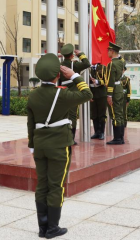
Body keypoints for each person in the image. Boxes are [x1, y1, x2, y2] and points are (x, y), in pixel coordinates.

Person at [27, 54, 92, 239]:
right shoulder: (61, 94)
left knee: (42, 185)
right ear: (58, 76)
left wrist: (32, 145)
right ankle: (53, 228)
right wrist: (74, 76)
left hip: (39, 146)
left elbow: (30, 124)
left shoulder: (33, 95)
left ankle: (42, 227)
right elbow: (88, 94)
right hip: (58, 145)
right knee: (56, 186)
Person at [59, 44, 91, 145]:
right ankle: (71, 139)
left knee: (63, 114)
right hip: (73, 91)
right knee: (72, 116)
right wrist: (81, 54)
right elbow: (87, 64)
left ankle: (63, 137)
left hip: (61, 91)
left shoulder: (60, 65)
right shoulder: (74, 65)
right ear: (72, 55)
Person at [105, 42, 126, 145]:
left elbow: (110, 80)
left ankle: (117, 138)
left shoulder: (112, 64)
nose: (107, 52)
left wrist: (109, 95)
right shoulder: (121, 62)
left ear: (112, 51)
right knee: (120, 114)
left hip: (113, 90)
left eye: (108, 50)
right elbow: (122, 60)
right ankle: (121, 137)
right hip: (119, 89)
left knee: (114, 114)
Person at [90, 63, 108, 140]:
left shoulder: (103, 67)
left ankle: (101, 132)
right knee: (94, 114)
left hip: (101, 93)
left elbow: (106, 80)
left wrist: (98, 82)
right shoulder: (88, 69)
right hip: (92, 93)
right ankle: (96, 132)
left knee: (102, 114)